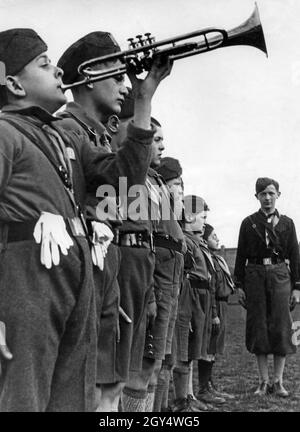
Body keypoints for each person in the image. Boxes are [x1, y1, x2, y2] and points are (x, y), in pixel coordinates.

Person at [0, 27, 172, 411]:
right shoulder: (23, 131)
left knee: (73, 396)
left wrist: (144, 100)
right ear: (11, 82)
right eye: (45, 65)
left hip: (73, 282)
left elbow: (122, 182)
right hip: (34, 284)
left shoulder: (56, 136)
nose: (59, 71)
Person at [234, 177, 300, 397]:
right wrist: (239, 285)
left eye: (271, 193)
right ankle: (263, 382)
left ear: (278, 195)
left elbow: (295, 256)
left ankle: (278, 381)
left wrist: (297, 287)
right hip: (254, 275)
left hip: (281, 274)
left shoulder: (287, 224)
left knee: (282, 325)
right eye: (263, 194)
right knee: (259, 326)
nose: (267, 198)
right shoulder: (248, 222)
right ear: (257, 197)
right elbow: (241, 255)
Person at [203, 223, 235, 400]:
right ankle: (203, 387)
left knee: (214, 348)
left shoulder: (217, 259)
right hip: (214, 306)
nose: (217, 239)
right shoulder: (209, 261)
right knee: (209, 346)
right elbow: (212, 289)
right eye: (213, 236)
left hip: (223, 304)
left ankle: (209, 384)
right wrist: (214, 314)